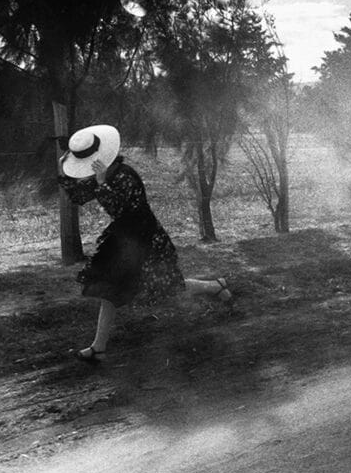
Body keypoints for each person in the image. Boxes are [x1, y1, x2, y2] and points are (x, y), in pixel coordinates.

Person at [57, 125, 232, 364]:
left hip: (145, 240)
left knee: (167, 286)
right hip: (122, 242)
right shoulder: (104, 174)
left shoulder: (126, 175)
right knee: (109, 291)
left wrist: (101, 183)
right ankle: (99, 348)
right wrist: (65, 170)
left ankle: (214, 286)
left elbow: (125, 211)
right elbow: (78, 197)